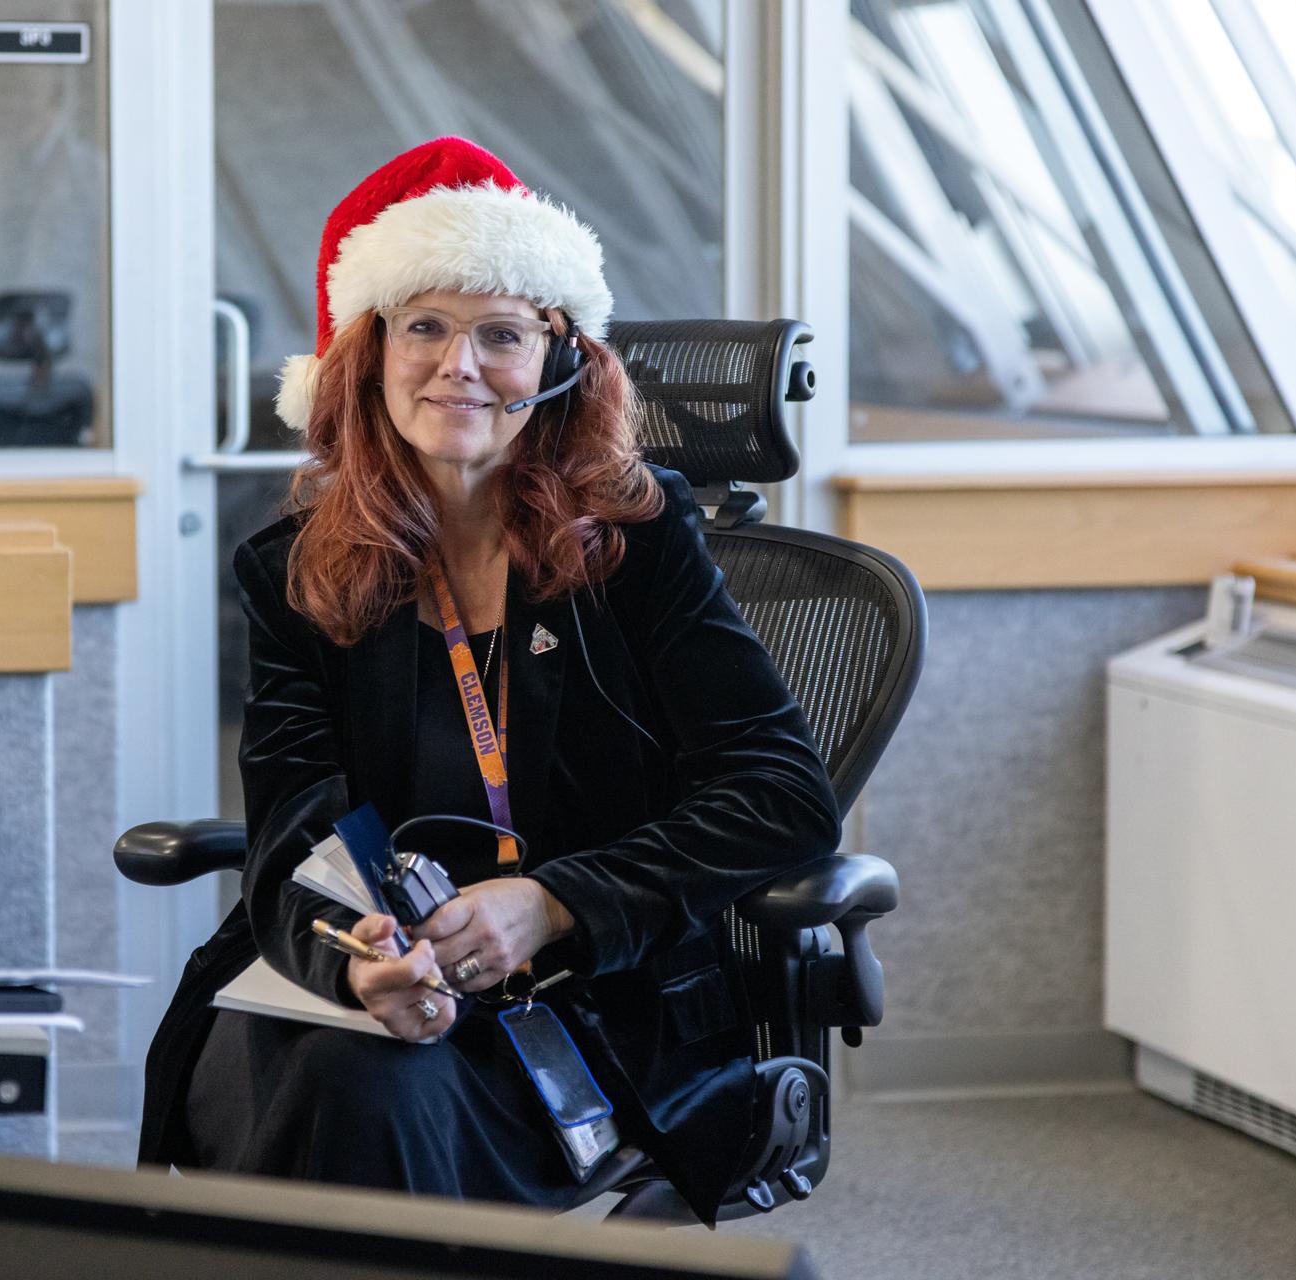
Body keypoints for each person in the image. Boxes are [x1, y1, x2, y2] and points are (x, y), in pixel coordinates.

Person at [139, 137, 841, 1223]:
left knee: (363, 1097)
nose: (459, 366)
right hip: (360, 984)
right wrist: (352, 957)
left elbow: (784, 797)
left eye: (501, 333)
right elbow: (296, 828)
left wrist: (555, 901)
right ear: (364, 357)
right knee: (345, 1065)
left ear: (559, 361)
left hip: (589, 993)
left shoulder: (636, 539)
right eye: (424, 325)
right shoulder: (291, 569)